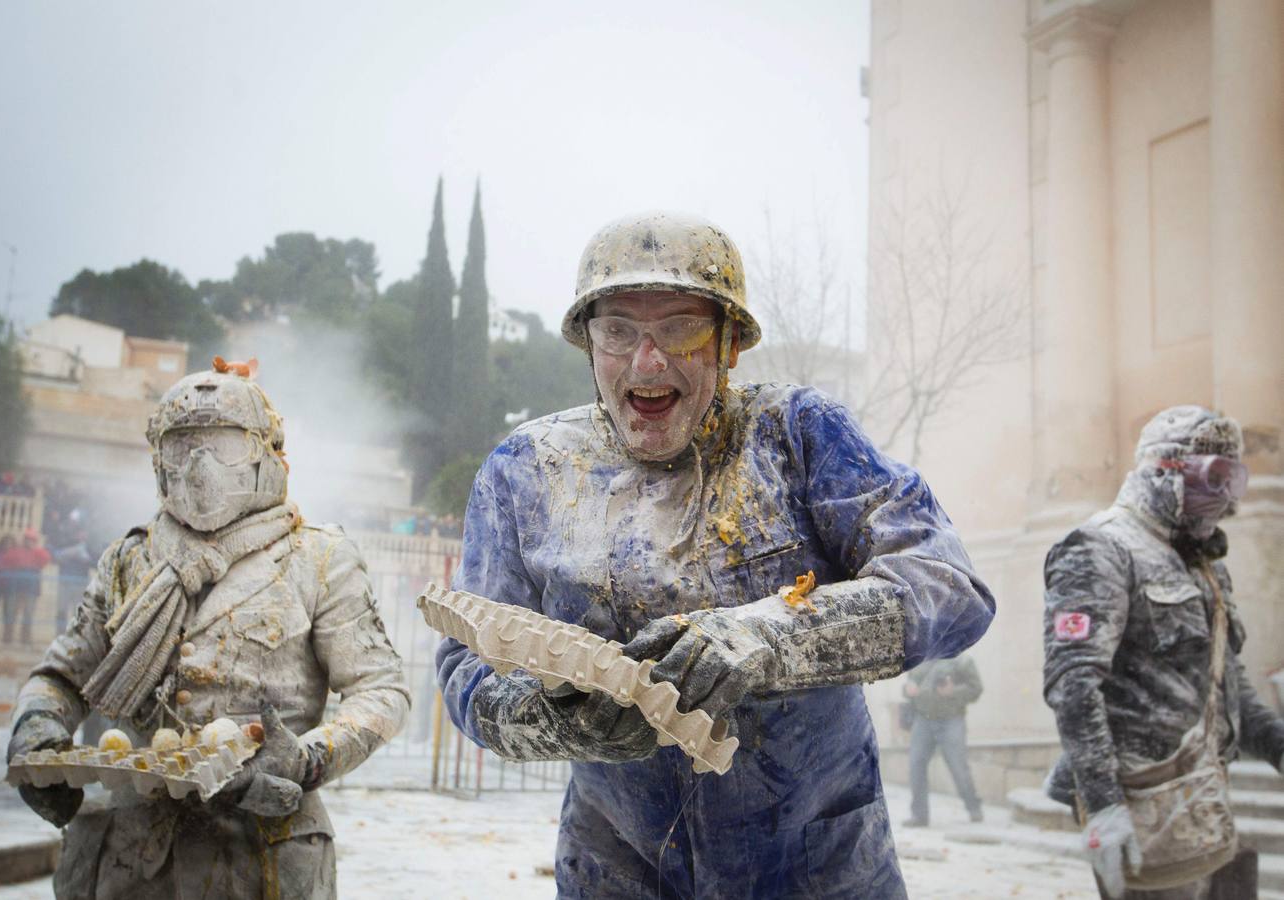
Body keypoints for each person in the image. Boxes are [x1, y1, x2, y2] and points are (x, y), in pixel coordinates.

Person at [436, 212, 995, 898]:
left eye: (680, 328)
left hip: (814, 864)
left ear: (728, 344)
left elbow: (948, 586)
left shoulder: (795, 436)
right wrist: (549, 718)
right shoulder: (525, 471)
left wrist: (772, 635)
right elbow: (468, 668)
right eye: (618, 332)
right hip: (617, 866)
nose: (647, 362)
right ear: (589, 346)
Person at [6, 365, 411, 900]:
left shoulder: (318, 557)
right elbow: (60, 676)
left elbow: (382, 690)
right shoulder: (129, 559)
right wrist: (36, 731)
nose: (200, 466)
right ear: (158, 461)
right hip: (129, 862)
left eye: (224, 445)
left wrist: (309, 757)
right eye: (182, 447)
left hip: (260, 854)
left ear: (265, 453)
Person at [1043, 405, 1284, 900]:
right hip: (1141, 805)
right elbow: (1074, 684)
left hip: (1204, 798)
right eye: (1214, 475)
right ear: (1165, 468)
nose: (1224, 495)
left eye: (1234, 478)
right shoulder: (1101, 547)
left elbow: (1226, 680)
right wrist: (1104, 807)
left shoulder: (1200, 563)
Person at [901, 652, 984, 827]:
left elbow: (976, 688)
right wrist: (909, 689)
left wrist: (953, 691)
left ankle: (974, 808)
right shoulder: (920, 657)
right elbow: (909, 685)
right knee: (916, 765)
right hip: (923, 719)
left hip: (951, 720)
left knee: (958, 766)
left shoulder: (962, 660)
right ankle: (919, 816)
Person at [0, 527, 52, 644]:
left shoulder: (38, 552)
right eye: (28, 539)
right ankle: (7, 639)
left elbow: (46, 559)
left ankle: (25, 640)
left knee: (28, 615)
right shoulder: (16, 550)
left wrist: (35, 549)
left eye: (32, 539)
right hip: (15, 588)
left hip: (32, 590)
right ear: (24, 539)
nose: (29, 541)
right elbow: (7, 559)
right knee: (11, 613)